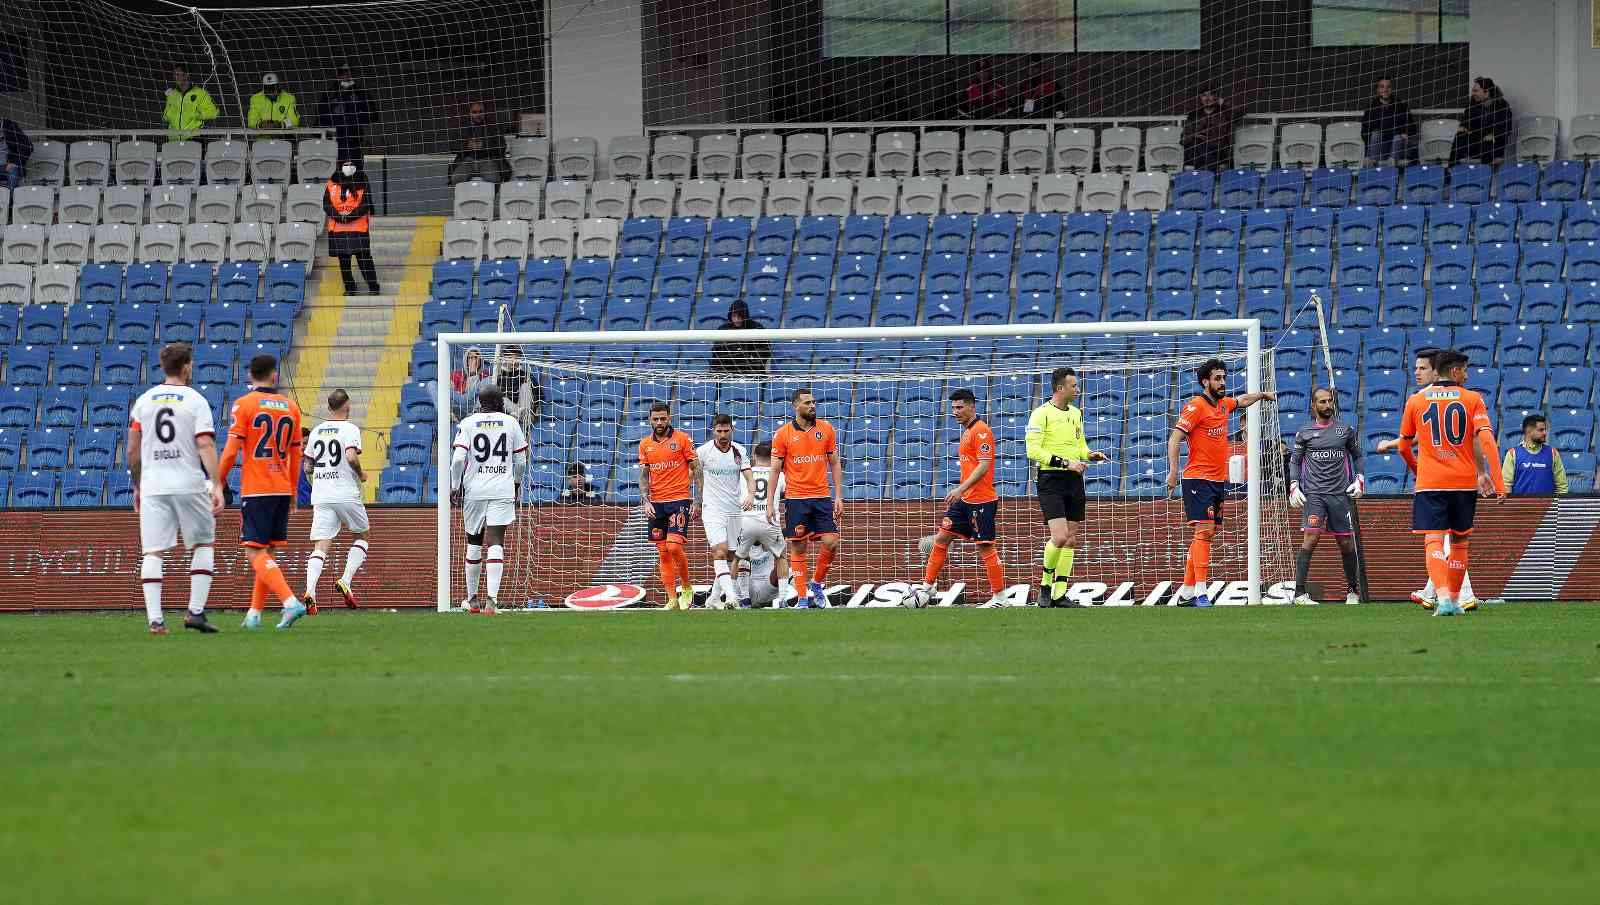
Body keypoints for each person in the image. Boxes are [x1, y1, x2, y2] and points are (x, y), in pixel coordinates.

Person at [1397, 349, 1506, 616]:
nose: (1467, 375)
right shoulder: (1473, 399)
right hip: (1463, 482)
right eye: (1465, 370)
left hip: (1431, 482)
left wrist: (1418, 470)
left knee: (1433, 541)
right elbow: (1486, 441)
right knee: (1460, 543)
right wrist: (1499, 482)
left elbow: (1402, 446)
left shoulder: (1416, 400)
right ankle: (1456, 600)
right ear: (1455, 371)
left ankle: (1443, 599)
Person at [127, 342, 224, 635]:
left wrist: (137, 485)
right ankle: (195, 612)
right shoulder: (195, 400)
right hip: (188, 482)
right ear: (186, 367)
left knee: (153, 552)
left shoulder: (144, 401)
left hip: (154, 485)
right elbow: (205, 444)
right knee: (203, 544)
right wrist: (217, 483)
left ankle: (155, 621)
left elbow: (133, 450)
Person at [1164, 359, 1276, 607]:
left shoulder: (1224, 405)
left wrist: (1263, 395)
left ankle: (1186, 592)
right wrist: (1173, 471)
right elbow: (1174, 439)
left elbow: (1243, 400)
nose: (1223, 382)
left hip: (1217, 480)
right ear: (1206, 381)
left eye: (1224, 377)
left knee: (1207, 533)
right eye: (1217, 378)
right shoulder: (1196, 406)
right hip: (1197, 478)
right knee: (1203, 531)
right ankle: (1201, 593)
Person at [1376, 348, 1480, 610]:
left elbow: (1415, 440)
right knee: (1451, 539)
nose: (1417, 372)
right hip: (1455, 477)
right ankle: (1434, 593)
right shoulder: (1456, 398)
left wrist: (1415, 466)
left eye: (1422, 368)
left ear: (1437, 371)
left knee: (1444, 538)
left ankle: (1461, 594)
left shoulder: (1422, 399)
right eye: (1416, 368)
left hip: (1438, 478)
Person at [217, 354, 306, 630]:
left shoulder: (244, 404)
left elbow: (231, 451)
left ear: (250, 375)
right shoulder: (291, 407)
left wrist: (216, 481)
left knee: (253, 553)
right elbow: (297, 454)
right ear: (274, 376)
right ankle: (254, 615)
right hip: (281, 487)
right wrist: (292, 491)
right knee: (267, 553)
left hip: (257, 489)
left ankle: (289, 601)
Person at [909, 388, 1011, 608]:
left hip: (981, 500)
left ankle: (1001, 598)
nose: (954, 412)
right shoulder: (966, 431)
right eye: (953, 407)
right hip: (966, 500)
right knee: (941, 538)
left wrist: (960, 488)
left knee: (986, 548)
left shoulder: (981, 431)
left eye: (959, 407)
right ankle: (927, 588)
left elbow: (984, 466)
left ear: (972, 407)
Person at [1026, 367, 1108, 607]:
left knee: (1071, 539)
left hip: (1074, 480)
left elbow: (1079, 445)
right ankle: (1044, 586)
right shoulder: (1040, 414)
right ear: (1060, 388)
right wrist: (1066, 463)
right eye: (1073, 385)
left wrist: (1090, 455)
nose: (1078, 389)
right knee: (1059, 537)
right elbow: (1033, 451)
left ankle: (1060, 594)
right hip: (1051, 479)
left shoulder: (1076, 412)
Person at [451, 383, 529, 614]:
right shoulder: (511, 423)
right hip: (502, 488)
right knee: (496, 541)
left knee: (473, 541)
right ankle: (492, 601)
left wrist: (455, 486)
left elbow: (457, 460)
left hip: (474, 489)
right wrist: (515, 484)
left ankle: (472, 600)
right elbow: (521, 462)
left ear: (480, 403)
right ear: (500, 403)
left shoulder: (467, 423)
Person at [1288, 388, 1366, 606]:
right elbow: (1294, 461)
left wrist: (1359, 478)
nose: (1327, 405)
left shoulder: (1345, 430)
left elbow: (1358, 455)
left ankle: (1352, 591)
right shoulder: (1304, 432)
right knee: (1310, 539)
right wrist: (1294, 485)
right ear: (1313, 406)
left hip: (1340, 495)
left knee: (1345, 544)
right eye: (1322, 402)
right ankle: (1299, 594)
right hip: (1314, 495)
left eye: (1329, 401)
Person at [768, 388, 843, 609]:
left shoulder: (826, 429)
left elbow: (835, 462)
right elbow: (774, 470)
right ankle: (802, 597)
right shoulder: (783, 434)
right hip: (796, 498)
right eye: (808, 402)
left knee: (832, 541)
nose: (813, 405)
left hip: (821, 496)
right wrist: (770, 503)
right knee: (798, 547)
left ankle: (817, 583)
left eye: (814, 402)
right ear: (796, 406)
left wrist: (838, 496)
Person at [302, 389, 370, 612]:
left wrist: (319, 474)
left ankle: (310, 591)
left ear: (329, 407)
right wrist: (360, 474)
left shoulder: (316, 431)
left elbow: (307, 466)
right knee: (362, 535)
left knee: (321, 545)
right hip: (345, 492)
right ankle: (346, 580)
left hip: (321, 494)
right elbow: (351, 456)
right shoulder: (350, 429)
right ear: (347, 406)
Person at [638, 402, 700, 610]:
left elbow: (696, 469)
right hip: (656, 504)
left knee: (674, 547)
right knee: (663, 551)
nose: (659, 423)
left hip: (679, 500)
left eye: (663, 418)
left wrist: (697, 500)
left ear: (669, 418)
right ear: (650, 420)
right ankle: (672, 598)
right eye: (655, 419)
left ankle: (687, 588)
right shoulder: (645, 444)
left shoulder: (682, 439)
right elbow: (644, 475)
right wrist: (645, 500)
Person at [696, 414, 756, 609]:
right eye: (719, 431)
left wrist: (751, 495)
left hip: (734, 511)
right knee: (719, 552)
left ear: (732, 430)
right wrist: (696, 502)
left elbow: (749, 477)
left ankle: (713, 598)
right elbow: (694, 479)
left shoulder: (739, 451)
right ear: (713, 430)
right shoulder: (703, 452)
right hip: (712, 510)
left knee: (732, 556)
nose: (722, 434)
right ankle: (731, 597)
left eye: (726, 430)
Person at [735, 441, 794, 608]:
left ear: (754, 457)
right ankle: (782, 599)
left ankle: (743, 598)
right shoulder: (780, 475)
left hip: (746, 520)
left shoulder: (743, 475)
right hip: (769, 520)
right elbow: (789, 494)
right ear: (774, 458)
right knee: (781, 557)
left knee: (739, 557)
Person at [324, 159, 381, 296]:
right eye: (345, 165)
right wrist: (339, 216)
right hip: (338, 229)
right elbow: (326, 204)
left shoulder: (362, 180)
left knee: (364, 259)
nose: (348, 167)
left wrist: (348, 217)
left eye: (351, 165)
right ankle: (350, 288)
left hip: (358, 228)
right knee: (344, 262)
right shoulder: (332, 182)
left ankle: (373, 286)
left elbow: (366, 203)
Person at [318, 64, 373, 166]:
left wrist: (351, 116)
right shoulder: (329, 94)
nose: (346, 76)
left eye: (348, 73)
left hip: (354, 143)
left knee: (354, 174)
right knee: (334, 176)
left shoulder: (361, 93)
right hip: (332, 144)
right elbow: (320, 120)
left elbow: (372, 115)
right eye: (342, 73)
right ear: (338, 76)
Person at [1451, 77, 1513, 165]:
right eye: (1473, 91)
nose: (1473, 93)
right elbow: (1465, 121)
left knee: (1487, 141)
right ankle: (1452, 170)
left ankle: (1484, 173)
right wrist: (1463, 127)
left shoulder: (1502, 105)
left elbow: (1507, 128)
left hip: (1494, 144)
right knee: (1459, 137)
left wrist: (1494, 134)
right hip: (1475, 142)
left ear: (1486, 92)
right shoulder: (1472, 104)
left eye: (1476, 91)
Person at [1503, 413, 1569, 496]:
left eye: (1545, 429)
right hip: (1521, 508)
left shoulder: (1553, 453)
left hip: (1548, 508)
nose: (1545, 433)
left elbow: (1562, 487)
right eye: (1541, 430)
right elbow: (1506, 486)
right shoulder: (1512, 454)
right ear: (1529, 431)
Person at [1180, 85, 1243, 172]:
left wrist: (1224, 103)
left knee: (1204, 149)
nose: (1207, 98)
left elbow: (1240, 111)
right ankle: (1208, 175)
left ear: (1216, 97)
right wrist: (1195, 135)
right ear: (1200, 98)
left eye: (1210, 95)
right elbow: (1183, 139)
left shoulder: (1224, 113)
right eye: (1204, 95)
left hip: (1219, 151)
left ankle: (1204, 177)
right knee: (1199, 146)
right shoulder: (1194, 115)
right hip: (1197, 150)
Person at [449, 101, 509, 184]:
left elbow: (502, 146)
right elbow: (453, 146)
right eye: (474, 112)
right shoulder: (462, 127)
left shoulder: (493, 126)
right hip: (467, 161)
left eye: (481, 112)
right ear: (469, 113)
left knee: (493, 179)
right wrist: (467, 145)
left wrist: (483, 145)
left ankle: (490, 196)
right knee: (456, 179)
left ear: (484, 113)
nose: (478, 115)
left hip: (487, 160)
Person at [709, 299, 771, 375]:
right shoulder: (723, 329)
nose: (737, 320)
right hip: (728, 372)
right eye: (734, 316)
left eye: (740, 316)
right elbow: (717, 353)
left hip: (752, 372)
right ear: (730, 315)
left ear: (745, 316)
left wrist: (750, 359)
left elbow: (765, 351)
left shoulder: (757, 328)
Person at [1361, 77, 1414, 165]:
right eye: (1382, 87)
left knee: (1398, 137)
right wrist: (1397, 130)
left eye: (1388, 87)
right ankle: (1373, 163)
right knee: (1376, 134)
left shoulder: (1401, 106)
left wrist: (1404, 133)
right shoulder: (1371, 108)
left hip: (1398, 147)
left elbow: (1412, 127)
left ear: (1392, 89)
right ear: (1377, 89)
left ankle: (1391, 165)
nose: (1385, 89)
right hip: (1379, 146)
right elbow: (1365, 132)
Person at [162, 63, 218, 141]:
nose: (175, 77)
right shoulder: (171, 94)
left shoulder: (201, 93)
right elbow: (166, 115)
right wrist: (167, 115)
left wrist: (195, 115)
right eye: (174, 74)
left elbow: (214, 112)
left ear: (186, 75)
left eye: (177, 74)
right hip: (173, 140)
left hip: (194, 139)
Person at [493, 345, 542, 421]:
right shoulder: (498, 377)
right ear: (504, 358)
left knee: (525, 386)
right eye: (510, 357)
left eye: (516, 357)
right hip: (508, 413)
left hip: (525, 408)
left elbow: (539, 395)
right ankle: (519, 415)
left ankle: (525, 415)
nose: (513, 360)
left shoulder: (527, 375)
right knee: (501, 398)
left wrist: (535, 410)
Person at [450, 347, 490, 421]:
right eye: (470, 358)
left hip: (473, 405)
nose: (473, 361)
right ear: (466, 360)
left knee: (486, 382)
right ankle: (448, 413)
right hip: (458, 404)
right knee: (432, 384)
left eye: (476, 358)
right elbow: (447, 389)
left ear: (480, 361)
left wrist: (473, 374)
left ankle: (476, 412)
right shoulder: (457, 374)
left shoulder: (485, 376)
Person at [1, 117, 32, 190]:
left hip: (7, 166)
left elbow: (28, 147)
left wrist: (15, 163)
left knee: (13, 172)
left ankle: (11, 198)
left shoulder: (10, 126)